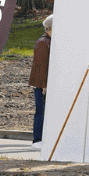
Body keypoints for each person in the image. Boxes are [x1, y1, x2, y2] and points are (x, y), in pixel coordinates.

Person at [28, 15, 52, 148]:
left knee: (43, 111)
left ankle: (41, 138)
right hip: (41, 85)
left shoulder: (47, 41)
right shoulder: (44, 43)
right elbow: (41, 66)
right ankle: (37, 139)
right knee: (41, 112)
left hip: (43, 84)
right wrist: (43, 85)